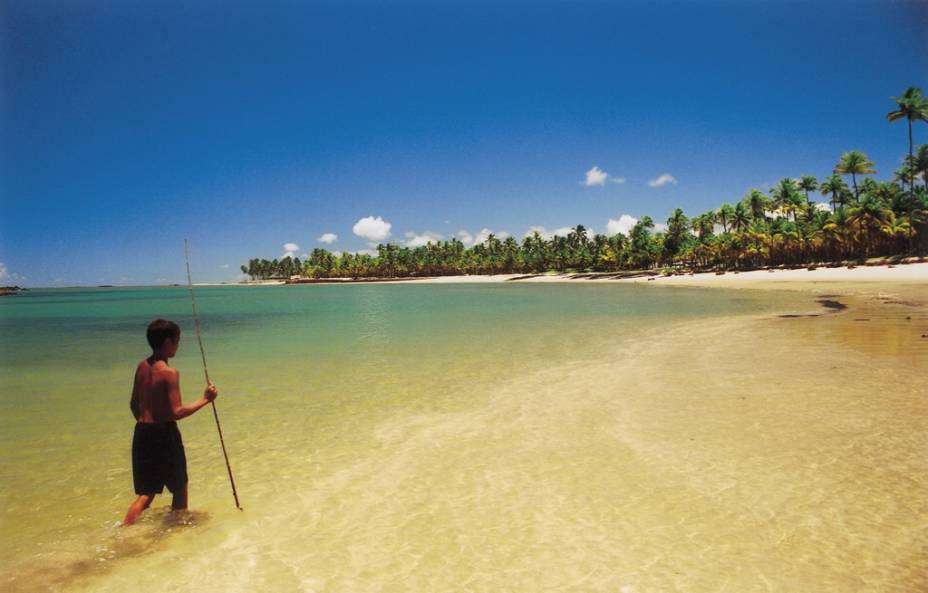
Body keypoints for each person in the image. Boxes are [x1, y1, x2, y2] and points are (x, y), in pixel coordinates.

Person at [122, 319, 218, 525]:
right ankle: (175, 533)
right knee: (179, 487)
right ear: (168, 342)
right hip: (164, 434)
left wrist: (147, 423)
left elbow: (133, 405)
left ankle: (124, 531)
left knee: (146, 495)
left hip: (142, 432)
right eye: (177, 341)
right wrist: (206, 400)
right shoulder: (170, 373)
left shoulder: (141, 366)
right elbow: (176, 412)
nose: (178, 345)